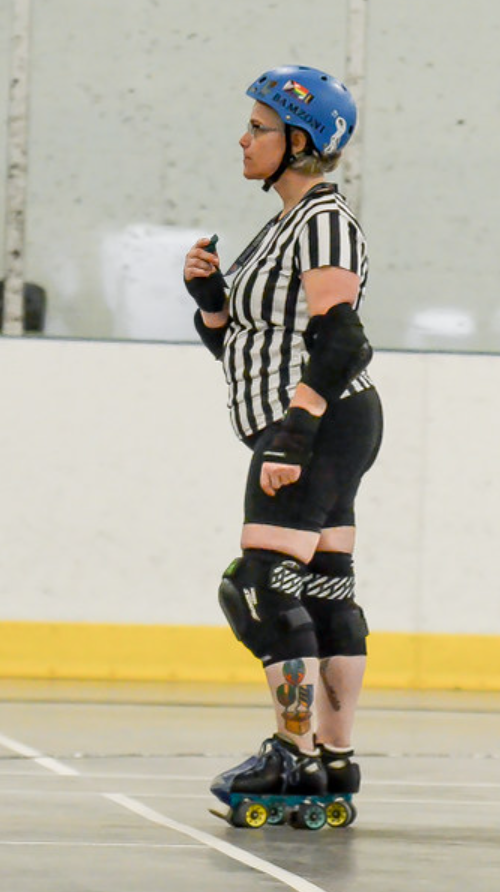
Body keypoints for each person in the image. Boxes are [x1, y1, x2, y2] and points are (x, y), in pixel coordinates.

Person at [184, 65, 383, 805]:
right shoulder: (288, 224)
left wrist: (295, 433)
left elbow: (342, 342)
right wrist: (212, 306)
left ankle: (290, 754)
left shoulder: (324, 221)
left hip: (318, 422)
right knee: (328, 590)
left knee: (261, 586)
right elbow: (255, 350)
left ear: (300, 141)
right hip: (323, 419)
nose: (244, 138)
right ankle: (332, 760)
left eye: (260, 128)